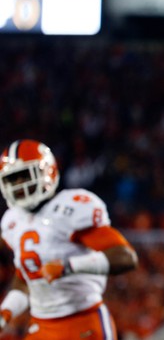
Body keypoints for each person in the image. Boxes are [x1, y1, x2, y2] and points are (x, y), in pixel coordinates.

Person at [0, 139, 138, 340]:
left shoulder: (70, 208)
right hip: (41, 326)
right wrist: (6, 311)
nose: (19, 185)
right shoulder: (12, 221)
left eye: (24, 176)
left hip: (82, 321)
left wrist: (68, 266)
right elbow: (25, 277)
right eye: (12, 179)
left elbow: (125, 258)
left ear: (47, 172)